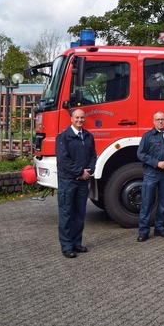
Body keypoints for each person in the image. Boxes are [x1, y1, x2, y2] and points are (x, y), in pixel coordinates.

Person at [55, 108, 97, 258]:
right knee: (66, 214)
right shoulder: (63, 137)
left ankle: (76, 243)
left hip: (82, 182)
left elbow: (93, 156)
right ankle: (67, 247)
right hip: (68, 181)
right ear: (71, 119)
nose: (80, 120)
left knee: (79, 214)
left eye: (82, 117)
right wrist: (80, 172)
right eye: (77, 117)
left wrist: (89, 170)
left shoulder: (88, 136)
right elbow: (63, 160)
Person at [136, 111, 164, 242]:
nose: (160, 122)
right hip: (151, 173)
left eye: (163, 119)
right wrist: (157, 163)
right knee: (147, 202)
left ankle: (160, 228)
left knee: (163, 203)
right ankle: (143, 231)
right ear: (153, 121)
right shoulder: (148, 136)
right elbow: (141, 154)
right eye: (158, 119)